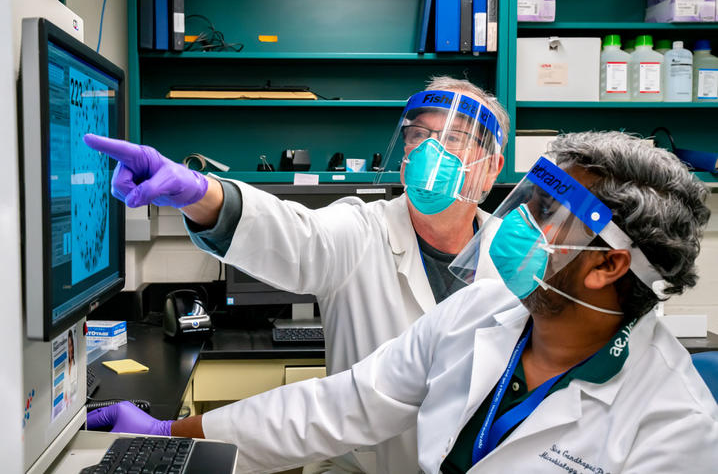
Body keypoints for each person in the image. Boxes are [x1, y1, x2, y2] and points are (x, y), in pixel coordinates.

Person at [88, 131, 718, 473]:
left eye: (550, 214)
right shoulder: (486, 309)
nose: (523, 222)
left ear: (608, 264)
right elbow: (340, 406)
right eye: (530, 198)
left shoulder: (675, 430)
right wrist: (170, 437)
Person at [83, 77, 509, 474]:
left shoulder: (513, 262)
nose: (430, 153)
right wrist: (198, 193)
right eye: (419, 136)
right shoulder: (363, 231)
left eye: (454, 139)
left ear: (492, 168)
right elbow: (296, 235)